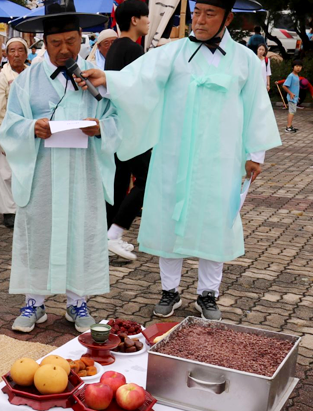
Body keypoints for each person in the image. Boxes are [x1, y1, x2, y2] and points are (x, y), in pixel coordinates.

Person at [77, 0, 282, 320]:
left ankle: (207, 294)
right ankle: (169, 290)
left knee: (216, 222)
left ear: (227, 18)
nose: (199, 20)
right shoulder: (171, 53)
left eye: (209, 14)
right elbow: (137, 80)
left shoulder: (245, 61)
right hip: (174, 154)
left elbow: (257, 106)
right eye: (197, 12)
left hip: (222, 157)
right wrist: (106, 79)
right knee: (169, 220)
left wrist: (256, 154)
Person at [0, 3, 118, 334]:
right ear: (44, 43)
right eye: (56, 43)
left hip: (83, 173)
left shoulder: (97, 79)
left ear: (82, 38)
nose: (65, 49)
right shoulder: (27, 82)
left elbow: (119, 119)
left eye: (71, 40)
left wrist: (101, 128)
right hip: (43, 174)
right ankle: (33, 302)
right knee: (38, 234)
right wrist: (30, 128)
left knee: (81, 232)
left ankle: (77, 301)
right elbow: (8, 127)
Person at [104, 0, 151, 262]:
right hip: (132, 127)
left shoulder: (115, 48)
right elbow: (142, 92)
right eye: (145, 17)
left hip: (117, 125)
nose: (148, 21)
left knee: (119, 182)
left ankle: (108, 238)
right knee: (148, 180)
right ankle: (114, 234)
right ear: (134, 20)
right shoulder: (132, 50)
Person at [0, 37, 28, 229]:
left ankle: (24, 208)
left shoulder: (32, 74)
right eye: (12, 50)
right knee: (6, 174)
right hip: (9, 132)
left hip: (28, 132)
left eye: (20, 50)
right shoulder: (2, 77)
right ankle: (9, 211)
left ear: (26, 53)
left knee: (25, 172)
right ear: (6, 54)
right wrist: (1, 137)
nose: (16, 54)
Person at [283, 60, 302, 133]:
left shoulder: (297, 76)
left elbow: (295, 88)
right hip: (291, 98)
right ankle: (288, 127)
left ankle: (290, 126)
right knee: (291, 112)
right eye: (296, 66)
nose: (298, 68)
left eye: (300, 66)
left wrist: (297, 96)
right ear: (293, 67)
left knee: (293, 112)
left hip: (295, 98)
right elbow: (284, 86)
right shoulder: (291, 76)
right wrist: (290, 93)